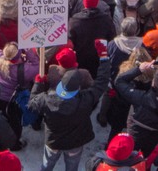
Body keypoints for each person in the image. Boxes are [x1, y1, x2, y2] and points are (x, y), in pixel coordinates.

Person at [28, 40, 111, 171]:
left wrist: (38, 84)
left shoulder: (46, 99)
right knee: (72, 167)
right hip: (75, 143)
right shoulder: (86, 99)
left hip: (53, 142)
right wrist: (104, 57)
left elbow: (32, 104)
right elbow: (102, 81)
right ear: (78, 87)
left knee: (47, 166)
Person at [114, 65, 158, 155]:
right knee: (146, 155)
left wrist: (139, 69)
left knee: (130, 153)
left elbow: (119, 81)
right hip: (155, 133)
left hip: (136, 132)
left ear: (153, 82)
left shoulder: (140, 98)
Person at [0, 43, 40, 151]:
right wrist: (27, 49)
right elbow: (37, 65)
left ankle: (0, 140)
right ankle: (14, 145)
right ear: (19, 56)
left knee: (1, 120)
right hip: (11, 100)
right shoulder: (22, 70)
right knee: (15, 123)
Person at [68, 0, 116, 75]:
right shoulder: (106, 19)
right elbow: (112, 38)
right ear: (97, 3)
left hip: (80, 61)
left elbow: (70, 42)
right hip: (99, 60)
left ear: (84, 3)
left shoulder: (74, 21)